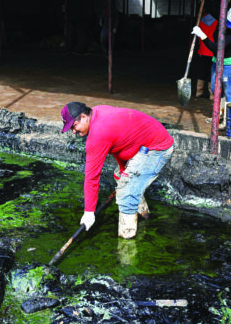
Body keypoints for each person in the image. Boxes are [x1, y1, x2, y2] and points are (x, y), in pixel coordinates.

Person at [61, 102, 174, 239]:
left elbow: (92, 177)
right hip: (145, 143)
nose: (73, 131)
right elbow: (119, 142)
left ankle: (127, 245)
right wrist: (124, 171)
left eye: (74, 126)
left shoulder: (98, 133)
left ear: (84, 117)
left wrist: (89, 211)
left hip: (156, 148)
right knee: (120, 176)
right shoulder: (97, 111)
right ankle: (144, 213)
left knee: (126, 196)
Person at [192, 4, 231, 129]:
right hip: (217, 62)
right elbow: (215, 39)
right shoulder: (220, 23)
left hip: (229, 66)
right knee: (215, 89)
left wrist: (201, 35)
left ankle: (228, 121)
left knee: (229, 92)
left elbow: (216, 48)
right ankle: (219, 114)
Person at [195, 9, 218, 100]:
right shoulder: (217, 22)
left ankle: (199, 92)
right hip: (213, 51)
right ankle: (212, 95)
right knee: (212, 73)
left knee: (202, 71)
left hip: (203, 51)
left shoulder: (200, 21)